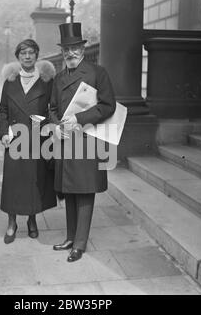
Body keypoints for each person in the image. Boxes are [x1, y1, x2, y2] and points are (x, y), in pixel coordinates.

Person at [49, 23, 116, 262]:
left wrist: (78, 118)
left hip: (88, 139)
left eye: (75, 48)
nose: (70, 53)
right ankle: (70, 237)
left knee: (85, 191)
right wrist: (58, 125)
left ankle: (79, 243)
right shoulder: (58, 79)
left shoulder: (98, 73)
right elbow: (53, 109)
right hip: (66, 141)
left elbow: (108, 106)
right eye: (66, 49)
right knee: (69, 189)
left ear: (83, 49)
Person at [0, 39, 57, 244]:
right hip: (15, 139)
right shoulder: (10, 82)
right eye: (23, 53)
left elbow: (52, 109)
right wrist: (4, 133)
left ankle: (32, 220)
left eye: (31, 52)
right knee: (14, 182)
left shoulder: (46, 82)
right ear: (18, 57)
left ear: (37, 55)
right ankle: (12, 223)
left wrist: (49, 130)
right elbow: (3, 109)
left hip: (37, 139)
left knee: (34, 181)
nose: (27, 56)